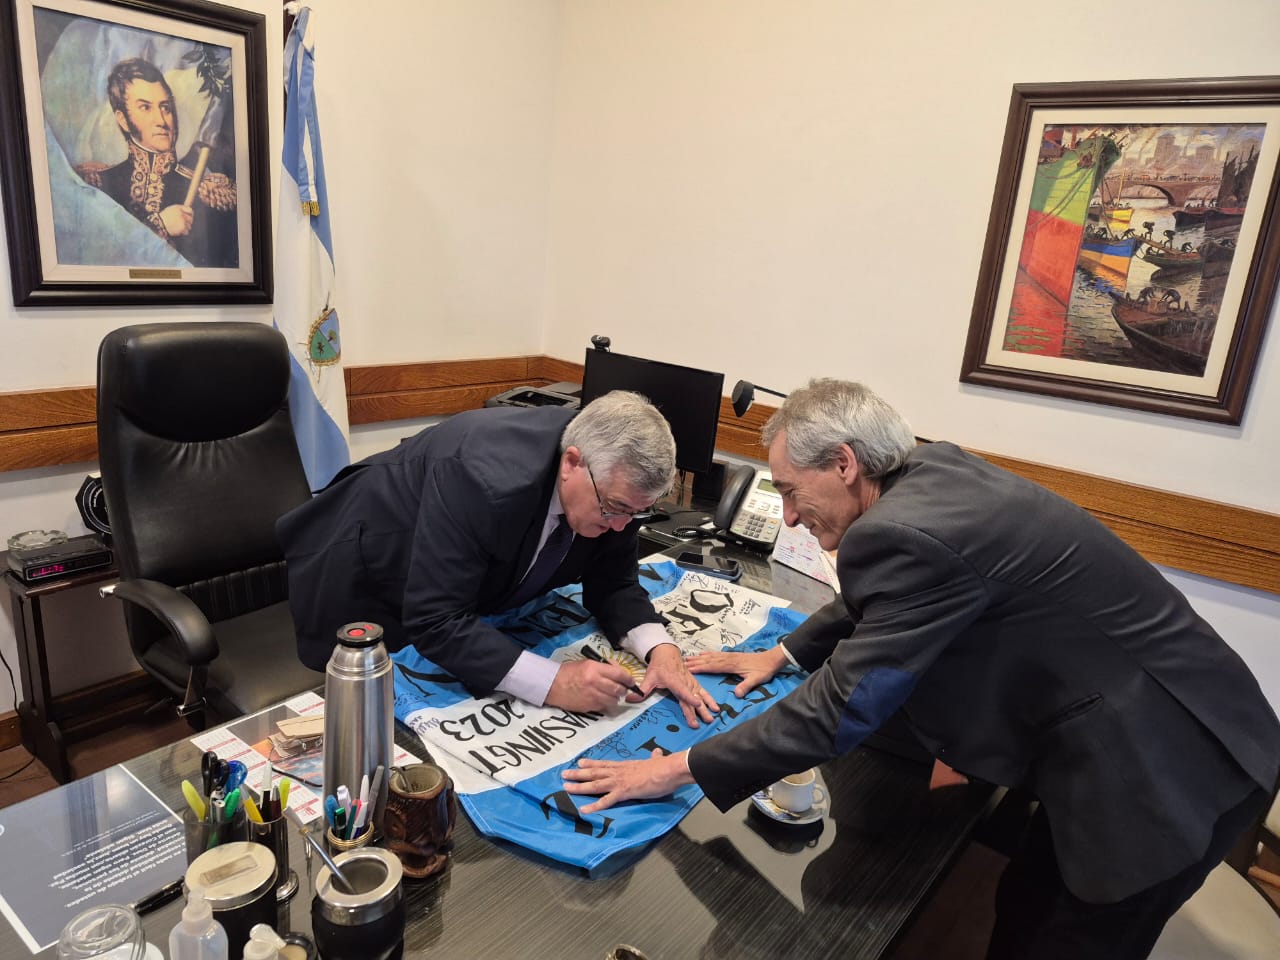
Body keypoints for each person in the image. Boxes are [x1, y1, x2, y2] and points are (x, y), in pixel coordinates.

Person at [563, 378, 1280, 959]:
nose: (788, 517)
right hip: (1169, 719)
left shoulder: (902, 531)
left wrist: (675, 769)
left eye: (789, 491)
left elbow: (839, 710)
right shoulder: (926, 471)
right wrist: (782, 652)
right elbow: (882, 598)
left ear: (844, 463)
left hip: (1168, 769)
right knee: (1021, 902)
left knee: (1060, 940)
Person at [278, 390, 719, 726]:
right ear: (572, 463)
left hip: (457, 584)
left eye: (637, 513)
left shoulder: (616, 487)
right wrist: (555, 682)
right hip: (367, 566)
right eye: (615, 509)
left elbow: (614, 581)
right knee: (369, 722)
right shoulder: (483, 479)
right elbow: (436, 619)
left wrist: (660, 649)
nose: (622, 526)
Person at [74, 58, 238, 268]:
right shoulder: (96, 184)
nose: (161, 120)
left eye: (165, 108)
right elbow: (90, 255)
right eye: (145, 107)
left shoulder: (209, 193)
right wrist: (159, 225)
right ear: (123, 119)